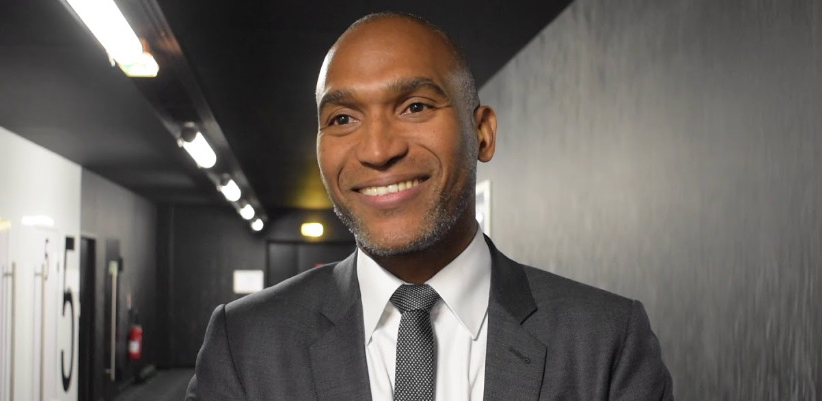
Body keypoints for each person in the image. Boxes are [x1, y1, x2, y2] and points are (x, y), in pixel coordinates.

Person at [186, 12, 673, 401]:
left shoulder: (607, 339)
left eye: (415, 106)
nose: (378, 150)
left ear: (482, 133)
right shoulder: (244, 342)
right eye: (342, 118)